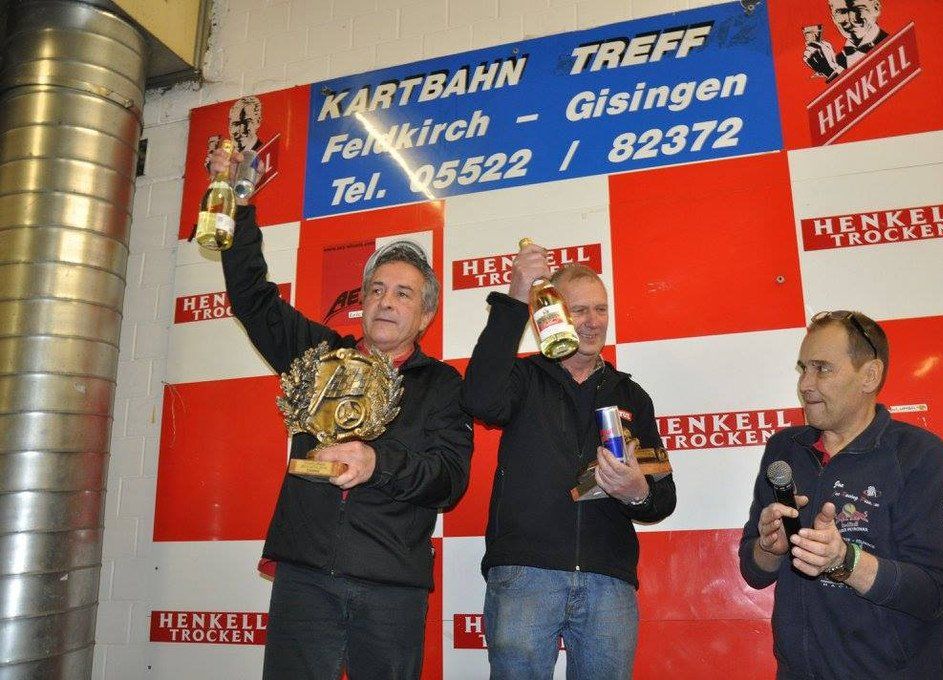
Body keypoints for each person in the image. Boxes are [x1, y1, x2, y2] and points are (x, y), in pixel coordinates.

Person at [209, 148, 473, 680]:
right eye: (376, 290)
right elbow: (253, 299)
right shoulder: (320, 356)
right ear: (363, 301)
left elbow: (449, 481)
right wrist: (238, 202)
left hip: (391, 586)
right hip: (305, 578)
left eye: (403, 294)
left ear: (425, 314)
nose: (386, 301)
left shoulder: (443, 385)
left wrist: (378, 462)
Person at [462, 243, 676, 680]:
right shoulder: (522, 379)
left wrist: (637, 492)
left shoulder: (632, 395)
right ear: (552, 314)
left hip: (608, 579)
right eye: (579, 310)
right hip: (525, 573)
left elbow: (663, 497)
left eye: (601, 309)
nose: (593, 321)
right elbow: (478, 398)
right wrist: (515, 299)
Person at [739, 310, 943, 679]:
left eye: (822, 369)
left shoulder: (919, 454)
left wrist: (846, 561)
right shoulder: (784, 450)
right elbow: (753, 572)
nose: (805, 384)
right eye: (803, 369)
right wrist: (769, 548)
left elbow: (938, 589)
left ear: (869, 375)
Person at [804, 0, 889, 82]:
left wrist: (830, 72)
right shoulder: (837, 61)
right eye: (842, 12)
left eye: (858, 9)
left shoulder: (892, 48)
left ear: (876, 8)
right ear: (833, 17)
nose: (851, 19)